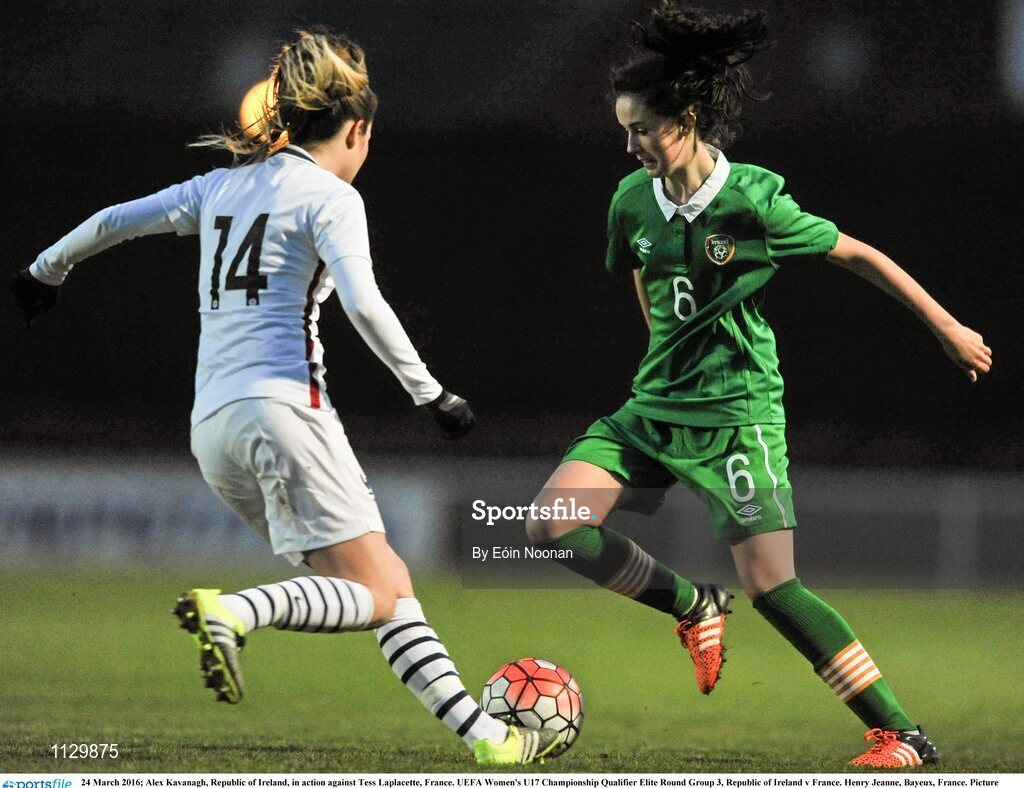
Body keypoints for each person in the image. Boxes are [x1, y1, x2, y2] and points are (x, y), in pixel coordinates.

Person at [10, 28, 561, 766]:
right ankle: (235, 609)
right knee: (376, 592)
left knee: (379, 586)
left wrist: (44, 272)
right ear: (356, 130)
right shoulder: (332, 199)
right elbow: (364, 304)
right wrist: (432, 394)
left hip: (213, 428)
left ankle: (490, 739)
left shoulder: (221, 186)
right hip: (284, 412)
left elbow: (114, 220)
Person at [522, 3, 991, 769]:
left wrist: (946, 326)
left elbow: (858, 254)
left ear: (687, 120)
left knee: (773, 585)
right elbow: (642, 271)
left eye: (642, 129)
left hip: (738, 414)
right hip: (654, 408)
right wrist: (663, 352)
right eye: (624, 130)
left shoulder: (753, 203)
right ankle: (693, 604)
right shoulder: (631, 200)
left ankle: (901, 735)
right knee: (551, 525)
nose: (630, 145)